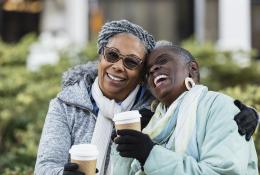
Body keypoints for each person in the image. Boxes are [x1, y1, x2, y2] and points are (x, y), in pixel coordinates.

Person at [34, 19, 257, 175]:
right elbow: (44, 167)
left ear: (141, 76)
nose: (118, 66)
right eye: (112, 55)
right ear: (101, 56)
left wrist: (246, 115)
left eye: (131, 62)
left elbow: (196, 101)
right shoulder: (67, 105)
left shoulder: (151, 108)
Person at [113, 41, 259, 175]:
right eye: (147, 72)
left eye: (162, 61)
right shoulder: (153, 124)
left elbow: (223, 172)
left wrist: (150, 154)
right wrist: (125, 149)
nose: (153, 70)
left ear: (192, 69)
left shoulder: (222, 107)